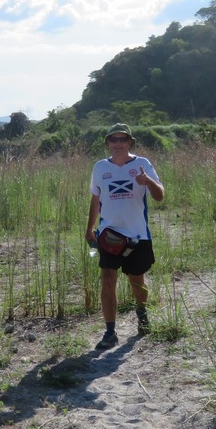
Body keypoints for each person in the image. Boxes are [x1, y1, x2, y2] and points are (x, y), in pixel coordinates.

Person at [85, 123, 165, 350]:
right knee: (107, 279)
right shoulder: (100, 167)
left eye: (123, 139)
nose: (118, 143)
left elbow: (160, 195)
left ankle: (142, 314)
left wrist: (148, 181)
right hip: (109, 234)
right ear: (108, 143)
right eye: (114, 139)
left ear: (130, 142)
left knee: (137, 281)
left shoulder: (142, 164)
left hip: (137, 235)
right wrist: (89, 229)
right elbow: (95, 198)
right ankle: (110, 332)